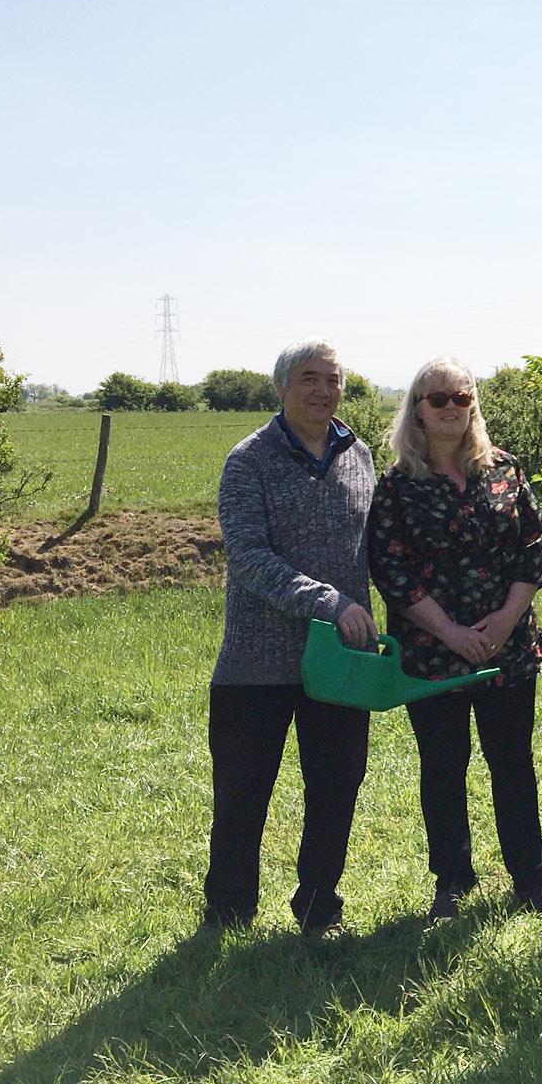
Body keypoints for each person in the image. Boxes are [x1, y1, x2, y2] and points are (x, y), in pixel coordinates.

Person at [367, 356, 542, 918]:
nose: (452, 407)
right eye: (439, 399)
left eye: (462, 397)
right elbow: (392, 570)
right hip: (433, 653)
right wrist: (451, 632)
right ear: (418, 411)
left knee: (513, 764)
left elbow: (533, 550)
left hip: (509, 649)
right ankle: (452, 883)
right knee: (443, 768)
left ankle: (534, 880)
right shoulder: (399, 486)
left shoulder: (505, 470)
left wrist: (505, 621)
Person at [204, 339, 378, 934]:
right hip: (257, 663)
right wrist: (328, 602)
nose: (322, 390)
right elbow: (248, 558)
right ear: (281, 387)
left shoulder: (360, 456)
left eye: (332, 379)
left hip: (340, 665)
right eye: (308, 378)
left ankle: (319, 909)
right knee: (242, 795)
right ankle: (229, 914)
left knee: (336, 790)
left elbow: (370, 552)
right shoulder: (248, 459)